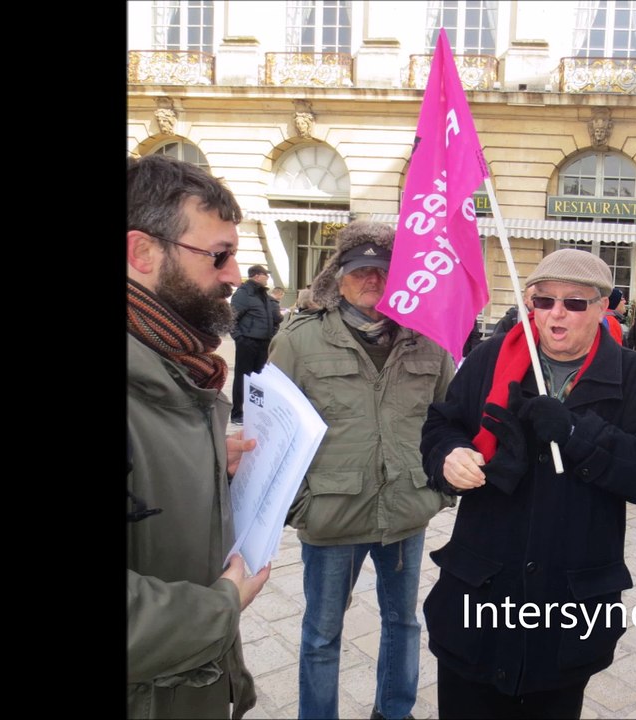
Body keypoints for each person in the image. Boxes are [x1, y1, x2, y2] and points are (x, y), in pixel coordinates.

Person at [419, 248, 636, 718]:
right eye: (544, 300)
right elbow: (442, 423)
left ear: (602, 308)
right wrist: (448, 455)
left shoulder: (631, 376)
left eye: (574, 302)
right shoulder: (491, 358)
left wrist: (578, 433)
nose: (556, 313)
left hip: (566, 612)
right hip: (478, 597)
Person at [268, 221, 457, 720]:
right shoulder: (299, 340)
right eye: (360, 270)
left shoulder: (427, 340)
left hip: (405, 510)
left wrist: (438, 490)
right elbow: (274, 430)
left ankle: (394, 710)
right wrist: (298, 505)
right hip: (332, 513)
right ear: (339, 277)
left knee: (403, 623)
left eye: (383, 270)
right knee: (322, 633)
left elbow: (448, 420)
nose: (372, 279)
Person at [127, 154, 270, 718]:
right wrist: (222, 606)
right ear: (143, 252)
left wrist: (205, 460)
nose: (233, 275)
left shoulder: (177, 363)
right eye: (218, 255)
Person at [229, 264, 278, 424]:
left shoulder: (263, 295)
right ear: (257, 275)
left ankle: (256, 413)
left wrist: (272, 333)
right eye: (265, 275)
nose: (268, 278)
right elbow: (230, 318)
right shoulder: (244, 294)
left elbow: (271, 318)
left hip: (264, 343)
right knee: (242, 378)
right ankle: (237, 413)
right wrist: (239, 338)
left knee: (259, 380)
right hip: (247, 342)